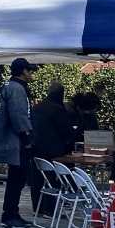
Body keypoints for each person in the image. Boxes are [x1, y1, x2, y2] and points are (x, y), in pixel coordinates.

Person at [0, 58, 36, 228]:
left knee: (16, 179)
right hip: (17, 141)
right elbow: (19, 116)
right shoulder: (16, 88)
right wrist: (27, 141)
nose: (31, 74)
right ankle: (9, 216)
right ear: (24, 71)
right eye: (30, 71)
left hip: (11, 139)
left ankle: (13, 213)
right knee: (17, 180)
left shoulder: (6, 86)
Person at [30, 81, 77, 216]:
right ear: (61, 94)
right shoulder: (58, 109)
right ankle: (49, 209)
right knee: (51, 179)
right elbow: (66, 131)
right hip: (52, 150)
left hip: (35, 147)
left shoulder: (37, 107)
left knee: (37, 179)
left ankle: (37, 208)